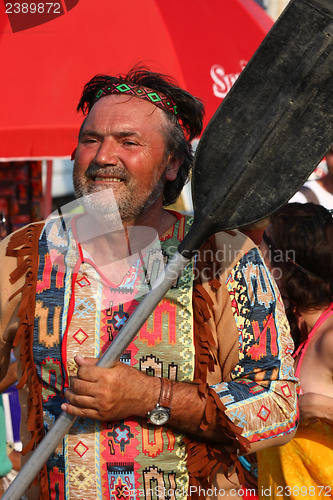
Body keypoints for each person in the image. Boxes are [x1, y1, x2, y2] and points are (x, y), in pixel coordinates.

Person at [0, 66, 298, 500]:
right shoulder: (23, 253)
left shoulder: (225, 254)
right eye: (90, 139)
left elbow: (279, 406)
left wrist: (149, 396)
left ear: (173, 163)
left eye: (128, 142)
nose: (103, 157)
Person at [257, 202, 333, 499]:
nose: (255, 253)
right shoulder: (293, 327)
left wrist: (319, 408)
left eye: (264, 242)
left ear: (286, 263)